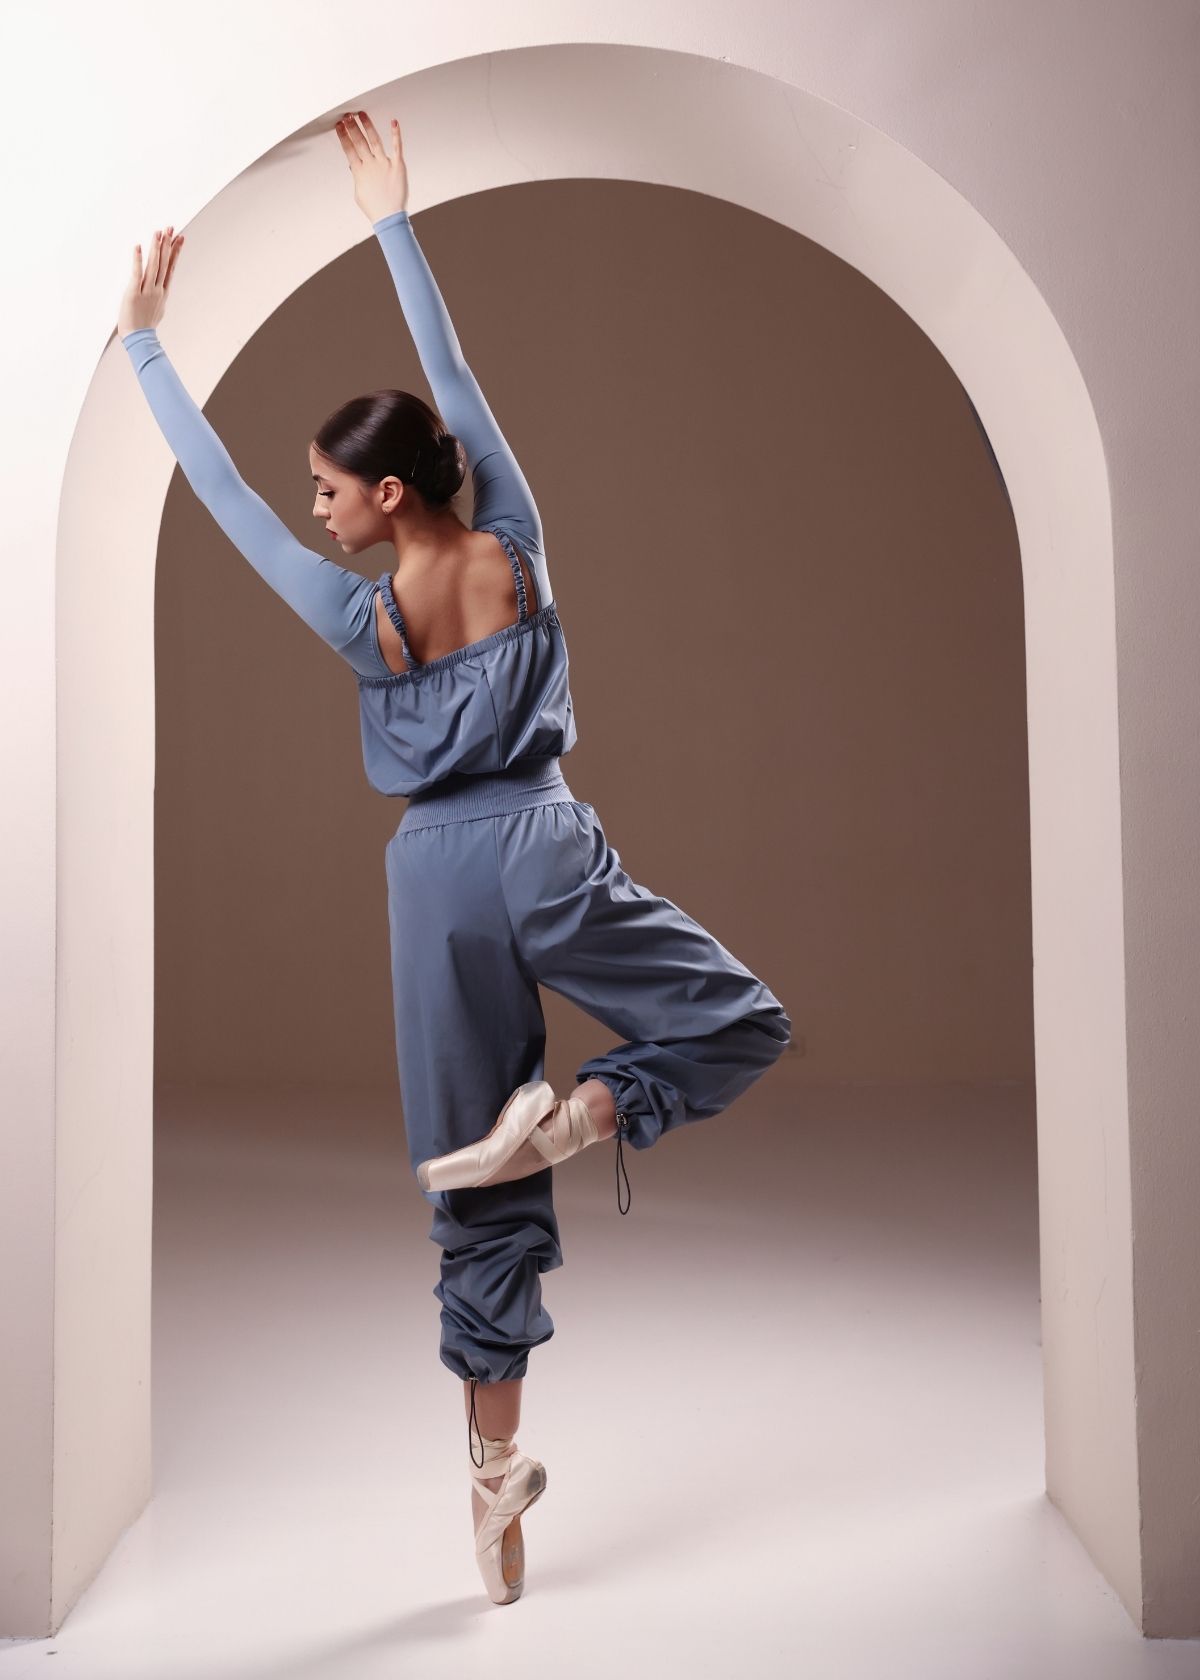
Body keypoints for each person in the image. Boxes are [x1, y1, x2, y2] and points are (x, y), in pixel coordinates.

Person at [117, 108, 792, 1606]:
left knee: (467, 1195)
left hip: (430, 882)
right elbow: (457, 377)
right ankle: (584, 1119)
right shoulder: (516, 546)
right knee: (737, 1022)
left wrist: (147, 346)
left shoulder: (358, 618)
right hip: (542, 842)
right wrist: (392, 221)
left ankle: (494, 1487)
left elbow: (221, 499)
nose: (313, 508)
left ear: (387, 497)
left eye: (328, 488)